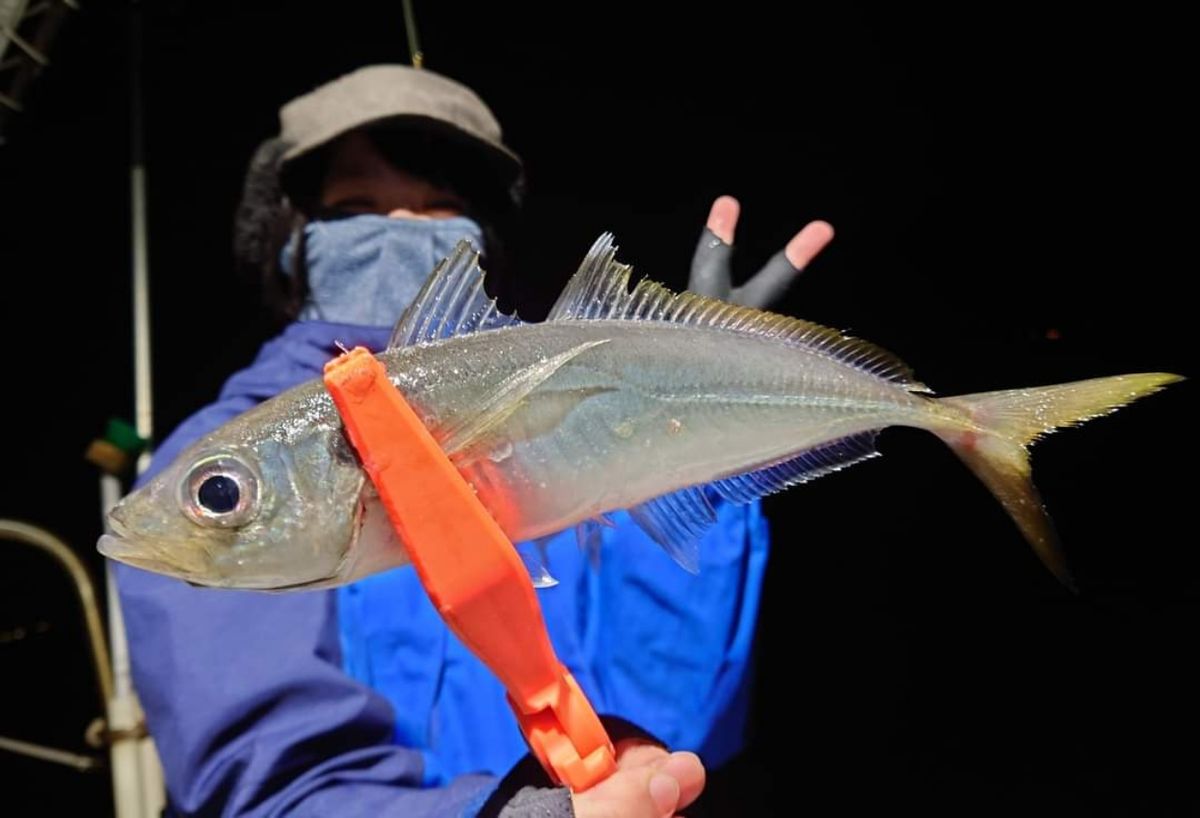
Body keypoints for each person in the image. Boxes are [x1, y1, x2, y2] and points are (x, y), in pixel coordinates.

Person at [114, 64, 833, 817]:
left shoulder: (561, 391)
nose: (398, 228)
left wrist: (701, 402)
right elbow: (275, 781)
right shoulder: (231, 454)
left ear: (477, 238)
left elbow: (683, 700)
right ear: (293, 243)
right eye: (356, 206)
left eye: (438, 207)